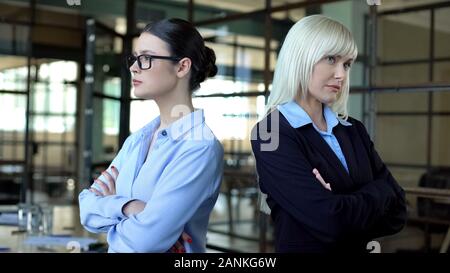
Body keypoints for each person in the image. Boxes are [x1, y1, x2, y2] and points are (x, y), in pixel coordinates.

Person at [251, 15, 406, 253]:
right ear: (301, 58)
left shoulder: (353, 129)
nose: (341, 75)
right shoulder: (270, 133)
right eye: (331, 59)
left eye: (346, 64)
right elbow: (330, 221)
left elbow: (398, 213)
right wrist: (381, 191)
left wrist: (341, 205)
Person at [79, 18, 223, 253]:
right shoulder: (138, 139)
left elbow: (145, 242)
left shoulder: (199, 147)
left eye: (146, 58)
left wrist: (110, 207)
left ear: (182, 67)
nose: (134, 67)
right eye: (134, 58)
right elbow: (87, 210)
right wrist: (129, 207)